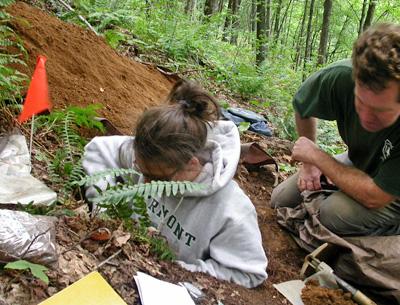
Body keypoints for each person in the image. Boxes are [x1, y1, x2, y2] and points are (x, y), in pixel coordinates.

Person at [82, 80, 268, 288]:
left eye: (157, 179)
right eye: (142, 172)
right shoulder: (151, 153)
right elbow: (98, 148)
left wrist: (171, 272)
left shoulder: (231, 211)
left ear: (191, 165)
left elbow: (248, 274)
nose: (146, 183)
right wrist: (104, 210)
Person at [271, 23, 400, 236]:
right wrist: (310, 164)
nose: (365, 117)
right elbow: (303, 105)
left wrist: (318, 157)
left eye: (379, 110)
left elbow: (375, 195)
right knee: (281, 199)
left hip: (391, 191)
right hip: (360, 162)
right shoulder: (342, 76)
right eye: (360, 101)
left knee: (331, 215)